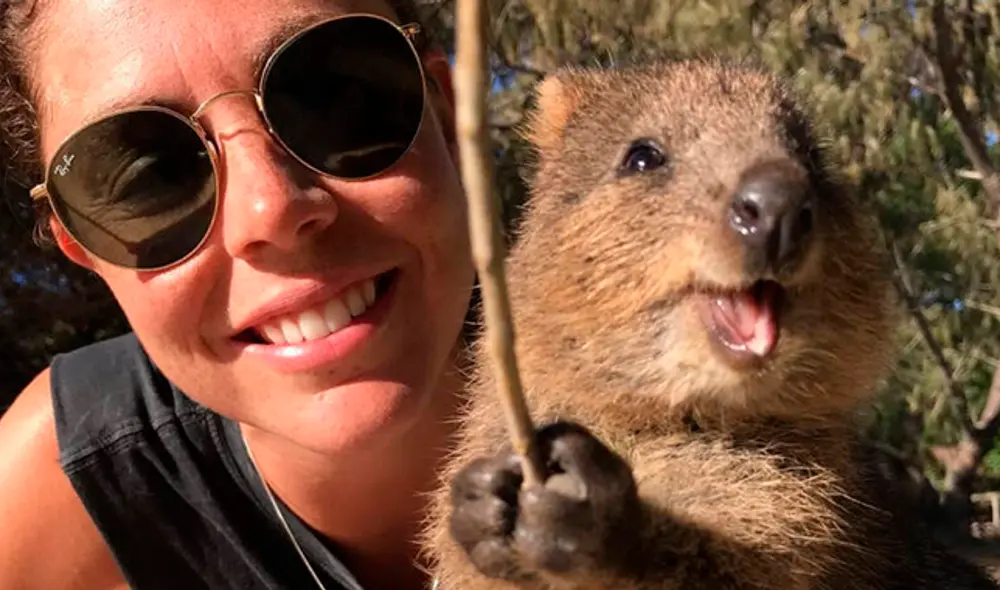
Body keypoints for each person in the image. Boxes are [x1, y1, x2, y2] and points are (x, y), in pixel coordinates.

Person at [0, 0, 478, 588]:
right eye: (148, 176)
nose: (270, 209)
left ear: (449, 117)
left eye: (334, 99)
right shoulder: (65, 483)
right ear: (84, 250)